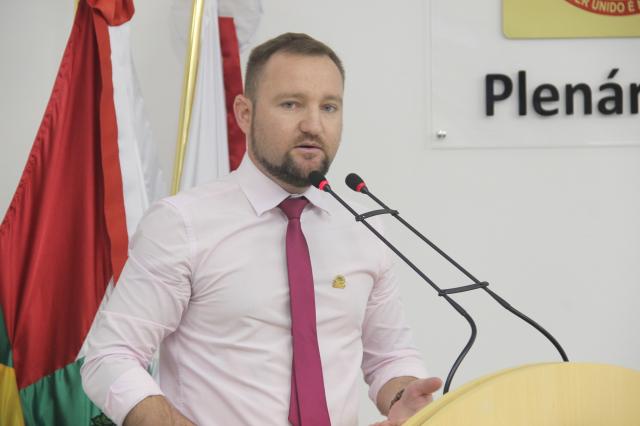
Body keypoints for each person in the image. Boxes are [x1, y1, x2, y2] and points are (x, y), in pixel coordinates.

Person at [81, 32, 442, 426]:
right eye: (291, 104)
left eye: (329, 107)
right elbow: (110, 356)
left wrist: (404, 396)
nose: (313, 125)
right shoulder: (182, 224)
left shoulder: (362, 228)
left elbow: (389, 356)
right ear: (244, 113)